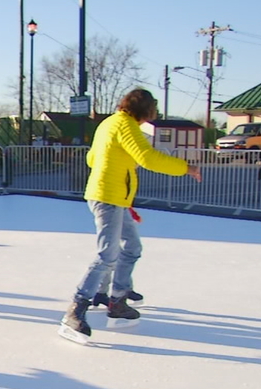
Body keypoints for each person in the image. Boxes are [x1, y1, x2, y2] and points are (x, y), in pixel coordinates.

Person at [60, 89, 201, 344]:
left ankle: (117, 301)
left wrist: (117, 166)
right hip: (109, 198)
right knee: (107, 256)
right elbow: (148, 158)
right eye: (153, 109)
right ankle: (76, 309)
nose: (155, 114)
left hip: (112, 197)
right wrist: (186, 167)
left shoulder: (108, 123)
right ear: (145, 109)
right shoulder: (126, 125)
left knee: (132, 247)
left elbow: (92, 158)